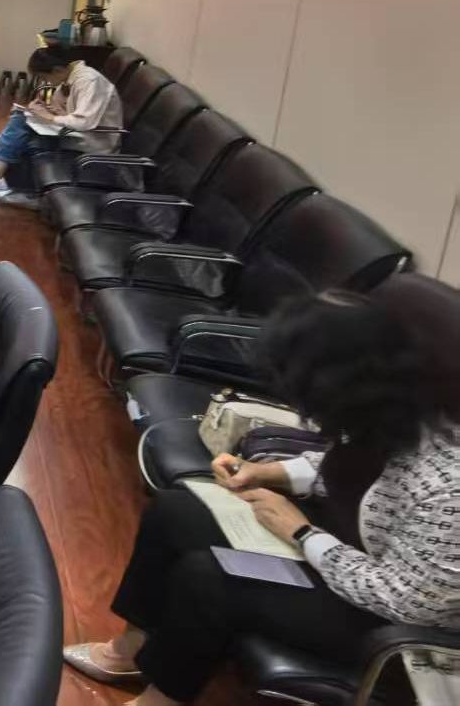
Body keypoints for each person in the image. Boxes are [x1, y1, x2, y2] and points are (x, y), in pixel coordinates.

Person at [65, 291, 460, 706]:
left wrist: (301, 533)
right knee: (176, 511)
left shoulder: (450, 485)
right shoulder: (401, 415)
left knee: (210, 580)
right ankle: (130, 652)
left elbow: (405, 602)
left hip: (389, 622)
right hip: (344, 554)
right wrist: (269, 473)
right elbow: (354, 467)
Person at [0, 49, 122, 207]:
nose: (46, 82)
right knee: (20, 120)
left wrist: (49, 116)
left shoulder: (89, 81)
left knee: (21, 128)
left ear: (57, 70)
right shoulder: (70, 78)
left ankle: (6, 182)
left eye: (44, 77)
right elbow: (72, 112)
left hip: (95, 141)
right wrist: (49, 110)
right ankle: (7, 183)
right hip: (79, 133)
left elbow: (84, 121)